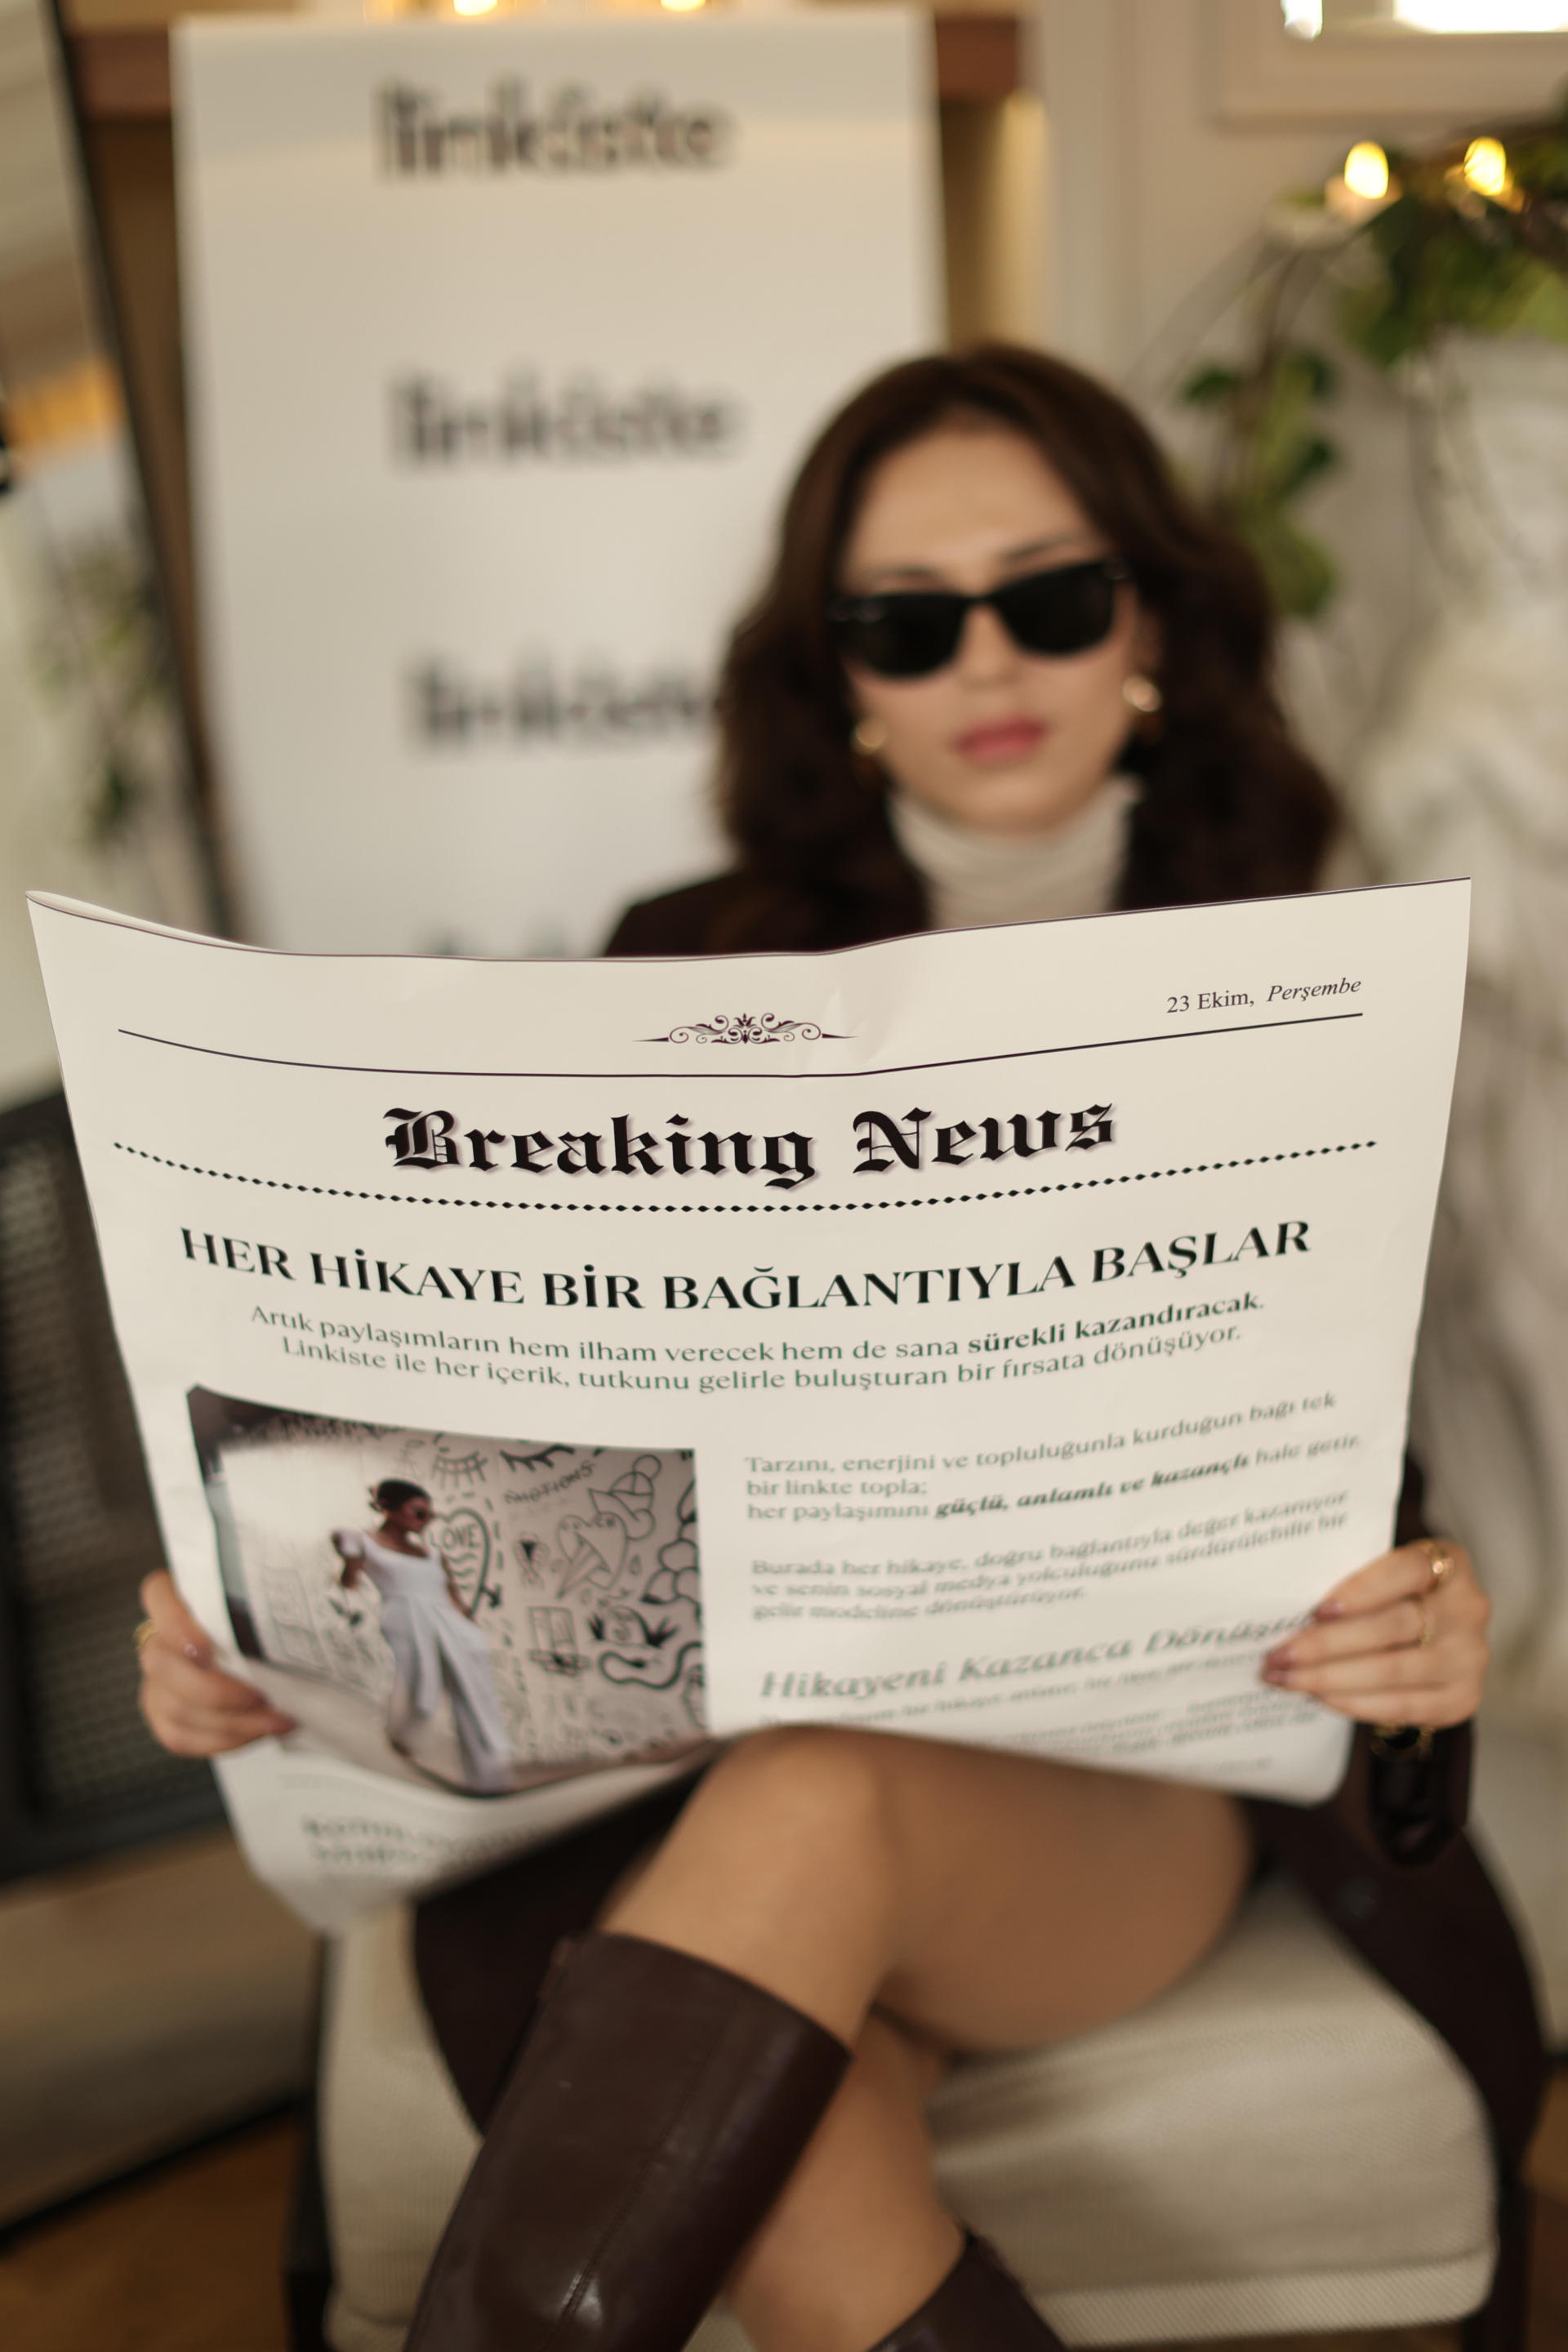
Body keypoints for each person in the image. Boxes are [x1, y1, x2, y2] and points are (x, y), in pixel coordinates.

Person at [136, 345, 1540, 2352]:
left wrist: (1416, 1627)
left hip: (1123, 1791)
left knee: (823, 1793)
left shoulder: (1298, 962)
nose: (991, 662)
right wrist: (267, 1607)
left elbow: (1358, 1479)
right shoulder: (682, 959)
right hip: (692, 1779)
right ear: (840, 672)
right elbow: (509, 1424)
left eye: (1052, 597)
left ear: (1149, 621)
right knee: (789, 2147)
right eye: (908, 621)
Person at [332, 1478, 521, 1796]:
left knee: (475, 1696)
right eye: (419, 1512)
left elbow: (454, 1597)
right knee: (421, 1693)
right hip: (405, 1620)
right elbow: (349, 1582)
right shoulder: (364, 1541)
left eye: (429, 1514)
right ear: (387, 1508)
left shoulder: (432, 1553)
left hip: (452, 1625)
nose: (426, 1520)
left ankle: (489, 1777)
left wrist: (472, 1631)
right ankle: (401, 1736)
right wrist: (348, 1556)